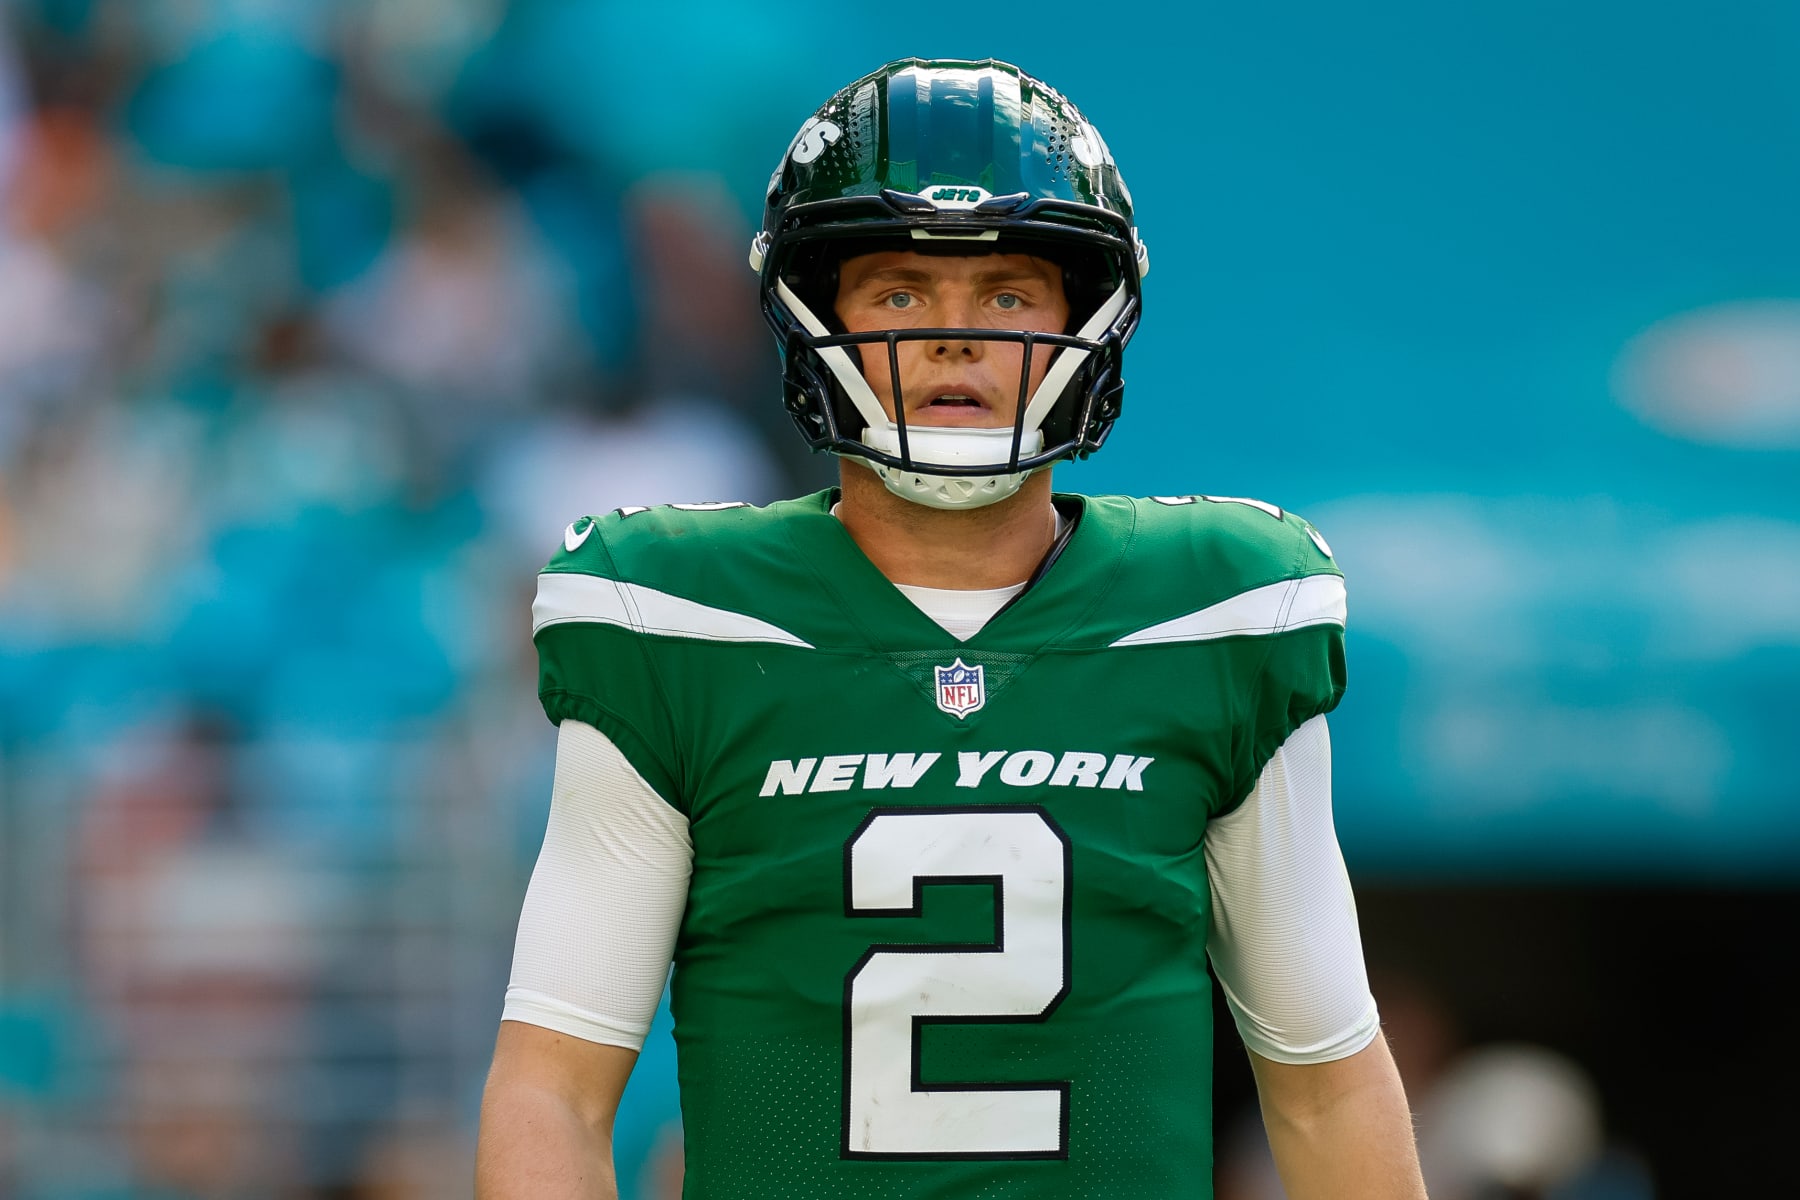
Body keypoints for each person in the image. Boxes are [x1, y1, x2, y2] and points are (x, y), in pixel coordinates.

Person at [476, 57, 1427, 1200]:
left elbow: (1324, 1080)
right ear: (814, 313)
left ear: (1092, 316)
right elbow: (554, 1086)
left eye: (1010, 294)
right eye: (898, 291)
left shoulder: (1218, 613)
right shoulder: (674, 619)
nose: (956, 336)